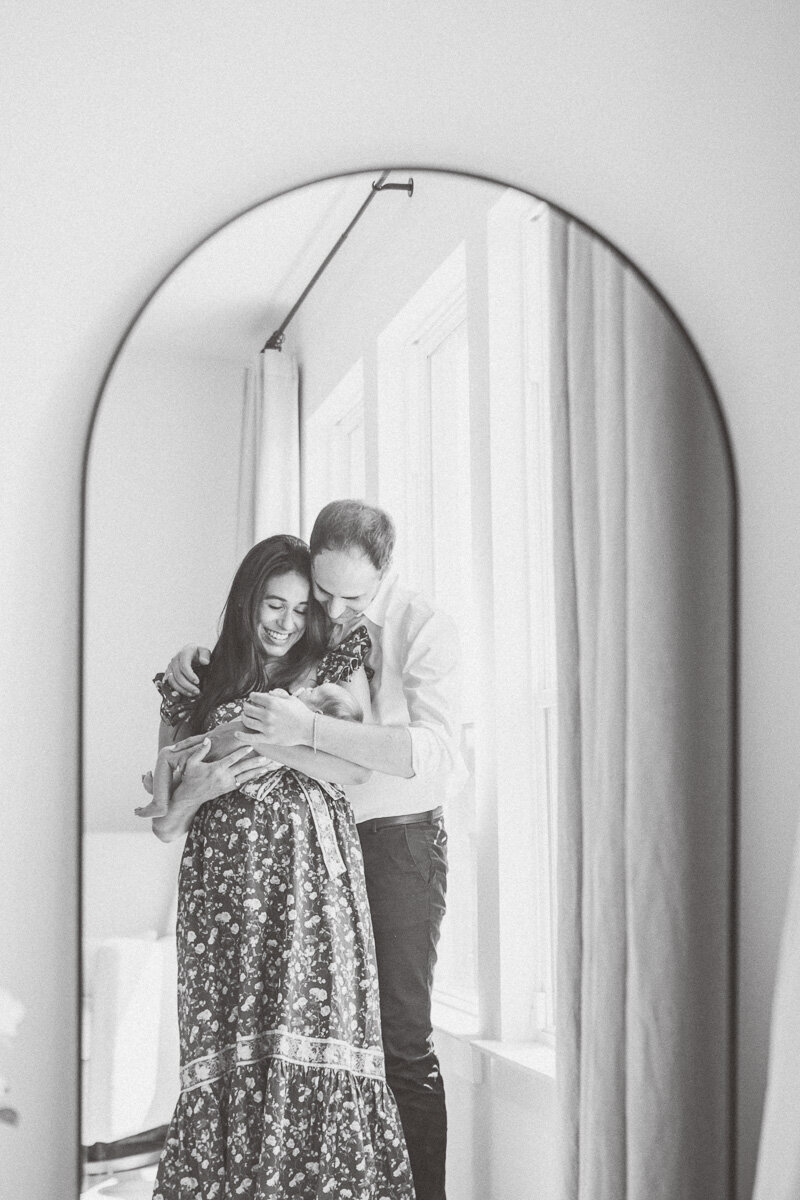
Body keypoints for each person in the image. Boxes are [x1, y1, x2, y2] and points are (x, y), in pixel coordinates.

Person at [167, 501, 466, 1200]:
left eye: (348, 597)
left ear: (384, 576)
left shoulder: (422, 628)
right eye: (319, 593)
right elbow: (244, 670)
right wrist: (198, 665)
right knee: (304, 1044)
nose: (330, 608)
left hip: (394, 841)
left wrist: (308, 730)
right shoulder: (314, 632)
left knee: (397, 1044)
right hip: (306, 849)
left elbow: (432, 757)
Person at [135, 680, 363, 819]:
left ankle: (159, 800)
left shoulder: (286, 715)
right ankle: (161, 790)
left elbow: (260, 703)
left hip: (219, 746)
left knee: (168, 756)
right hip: (224, 750)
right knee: (182, 770)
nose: (305, 689)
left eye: (313, 693)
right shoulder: (301, 748)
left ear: (318, 716)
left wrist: (281, 697)